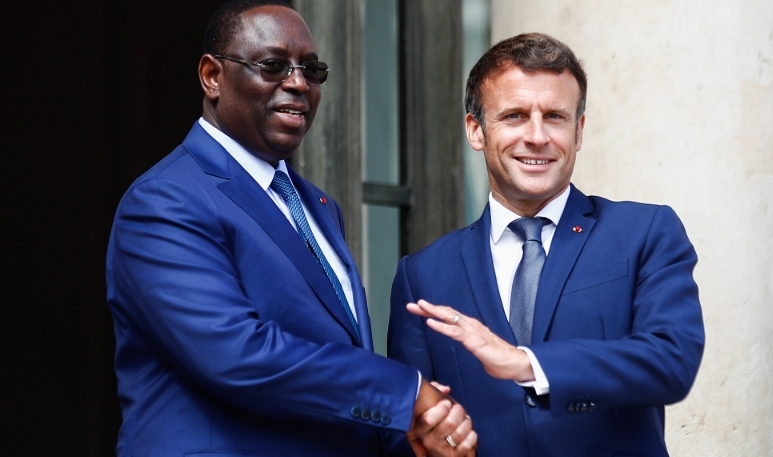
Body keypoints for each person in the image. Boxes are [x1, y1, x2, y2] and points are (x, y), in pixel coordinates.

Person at [105, 1, 477, 456]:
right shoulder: (165, 200)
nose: (298, 83)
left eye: (312, 69)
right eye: (274, 65)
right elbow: (236, 355)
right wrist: (407, 393)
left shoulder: (318, 206)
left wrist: (415, 431)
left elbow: (337, 361)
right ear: (212, 76)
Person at [387, 32, 704, 456]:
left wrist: (527, 364)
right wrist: (432, 441)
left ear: (579, 131)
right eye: (515, 116)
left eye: (554, 116)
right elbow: (402, 435)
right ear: (475, 130)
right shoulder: (422, 275)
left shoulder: (644, 232)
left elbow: (672, 361)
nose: (537, 136)